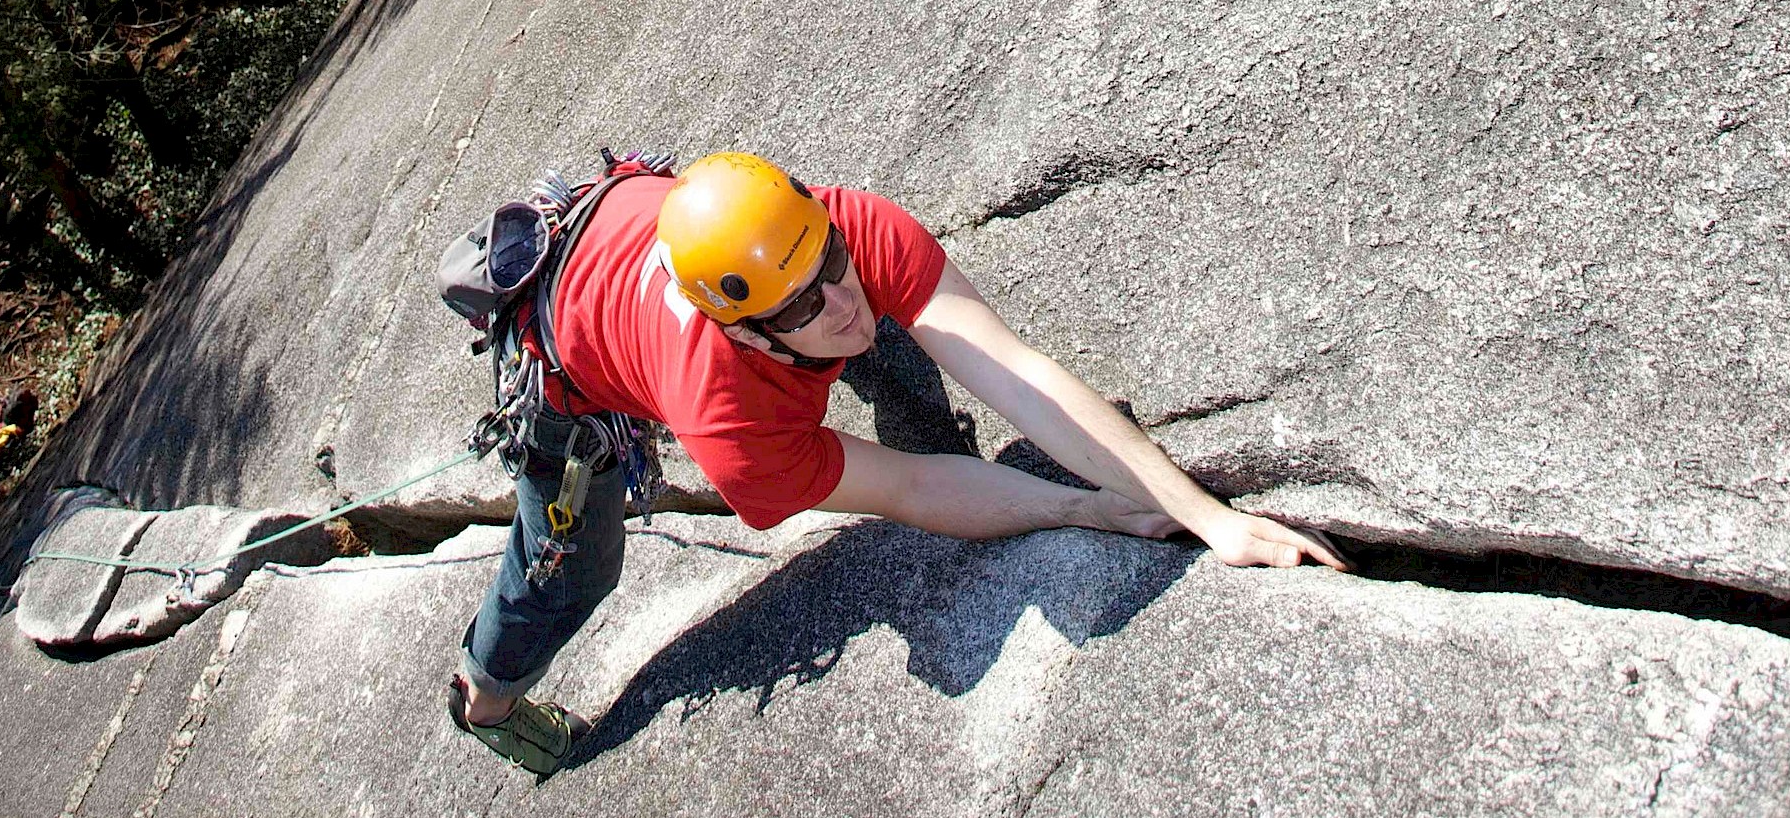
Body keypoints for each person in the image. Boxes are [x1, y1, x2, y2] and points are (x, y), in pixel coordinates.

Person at [445, 153, 1346, 777]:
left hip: (631, 216)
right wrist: (1081, 509)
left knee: (874, 333)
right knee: (573, 567)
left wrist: (1210, 519)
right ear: (745, 329)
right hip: (563, 361)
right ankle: (486, 697)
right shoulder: (734, 432)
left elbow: (1018, 373)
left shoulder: (846, 227)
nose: (846, 302)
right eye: (805, 305)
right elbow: (912, 485)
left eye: (835, 261)